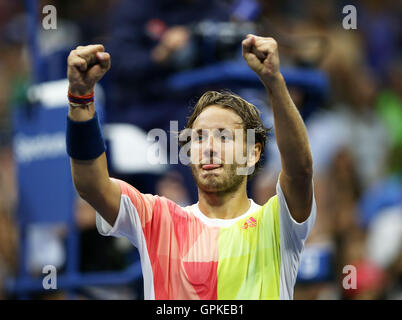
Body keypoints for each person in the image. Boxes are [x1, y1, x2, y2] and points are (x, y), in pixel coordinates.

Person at [65, 35, 316, 299]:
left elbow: (300, 170)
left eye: (224, 136)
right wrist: (80, 99)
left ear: (252, 154)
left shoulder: (277, 224)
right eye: (198, 138)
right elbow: (91, 185)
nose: (209, 146)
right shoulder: (158, 219)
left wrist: (274, 81)